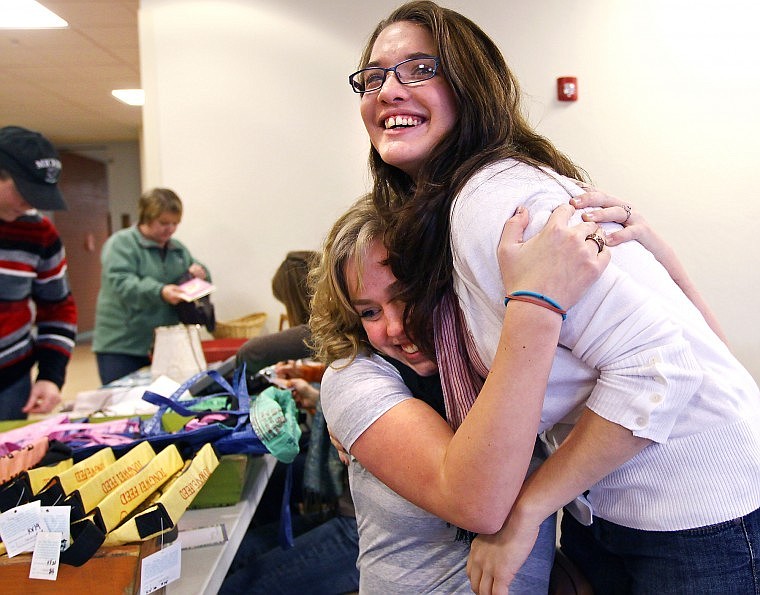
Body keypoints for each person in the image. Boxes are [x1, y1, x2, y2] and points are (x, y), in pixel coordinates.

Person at [349, 2, 760, 593]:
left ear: (473, 88)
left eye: (419, 69)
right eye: (374, 76)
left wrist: (527, 511)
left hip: (691, 509)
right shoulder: (466, 203)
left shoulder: (491, 203)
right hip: (616, 497)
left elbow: (662, 367)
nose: (389, 89)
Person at [310, 196, 608, 593]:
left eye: (406, 296)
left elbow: (686, 368)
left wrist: (657, 251)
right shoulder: (355, 378)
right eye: (369, 312)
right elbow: (480, 505)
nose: (395, 328)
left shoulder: (496, 360)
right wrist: (537, 302)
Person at [92, 187, 210, 385]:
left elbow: (201, 273)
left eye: (175, 223)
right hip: (122, 345)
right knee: (123, 402)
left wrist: (200, 273)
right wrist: (160, 291)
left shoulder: (177, 249)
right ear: (147, 217)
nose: (170, 229)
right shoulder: (120, 244)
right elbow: (122, 282)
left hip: (163, 345)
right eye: (164, 223)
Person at [0, 125, 78, 420]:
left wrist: (50, 374)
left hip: (10, 380)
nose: (30, 203)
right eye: (24, 190)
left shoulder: (39, 232)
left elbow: (58, 307)